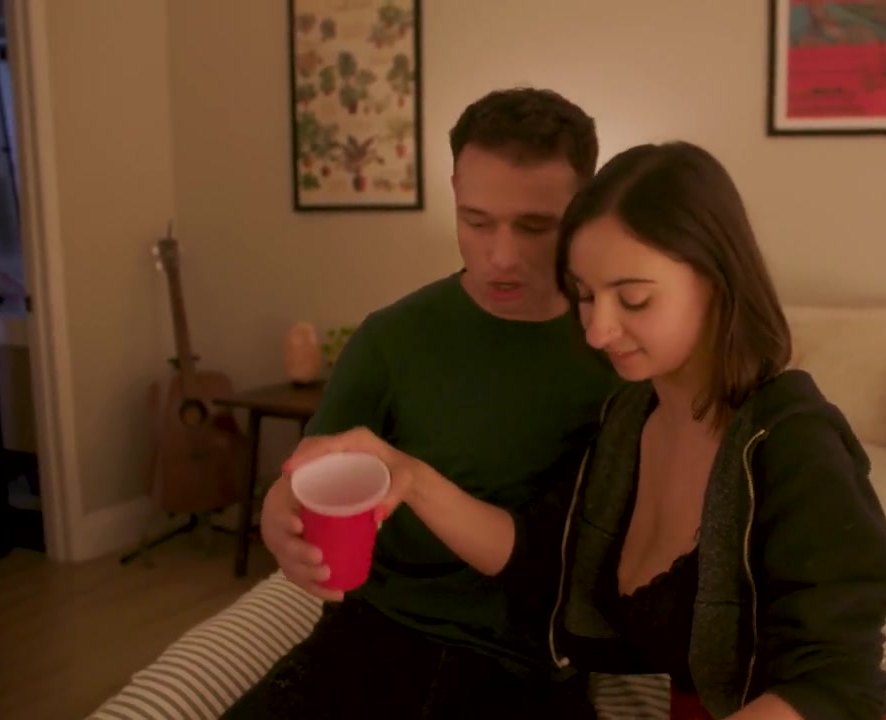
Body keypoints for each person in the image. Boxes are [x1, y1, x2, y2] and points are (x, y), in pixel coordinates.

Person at [287, 141, 886, 719]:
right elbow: (544, 555)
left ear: (717, 282)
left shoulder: (792, 441)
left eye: (633, 299)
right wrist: (411, 478)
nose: (597, 331)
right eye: (585, 295)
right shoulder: (628, 421)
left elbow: (835, 685)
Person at [222, 87, 622, 718]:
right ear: (454, 193)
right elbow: (308, 474)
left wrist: (412, 477)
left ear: (585, 207)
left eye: (535, 226)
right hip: (373, 633)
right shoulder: (391, 337)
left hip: (521, 663)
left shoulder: (618, 351)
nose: (501, 256)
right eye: (476, 221)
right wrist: (278, 513)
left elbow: (563, 563)